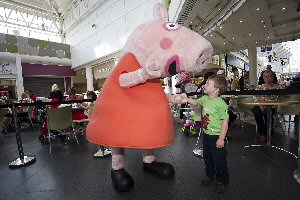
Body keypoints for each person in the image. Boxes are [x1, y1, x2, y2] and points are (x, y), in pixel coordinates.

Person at [182, 75, 229, 193]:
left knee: (219, 160)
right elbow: (196, 102)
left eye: (208, 84)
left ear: (216, 89)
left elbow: (225, 121)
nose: (205, 85)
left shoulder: (221, 104)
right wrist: (186, 99)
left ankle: (222, 180)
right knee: (207, 157)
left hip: (217, 136)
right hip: (206, 134)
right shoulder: (205, 99)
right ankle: (210, 174)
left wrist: (222, 138)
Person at [252, 70, 283, 142]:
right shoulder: (259, 87)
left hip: (271, 105)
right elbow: (255, 97)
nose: (267, 78)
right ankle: (263, 133)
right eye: (265, 77)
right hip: (259, 105)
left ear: (273, 77)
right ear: (263, 78)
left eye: (269, 76)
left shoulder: (277, 87)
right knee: (256, 111)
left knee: (268, 112)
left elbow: (284, 96)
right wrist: (260, 104)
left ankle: (268, 132)